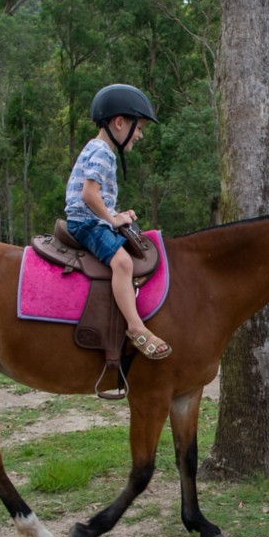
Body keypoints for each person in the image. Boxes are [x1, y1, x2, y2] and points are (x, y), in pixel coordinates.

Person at [65, 84, 170, 360]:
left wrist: (118, 216)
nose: (140, 135)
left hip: (91, 219)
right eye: (139, 127)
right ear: (120, 122)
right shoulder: (102, 152)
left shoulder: (98, 148)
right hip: (86, 223)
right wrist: (112, 219)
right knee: (122, 263)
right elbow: (89, 195)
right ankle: (136, 328)